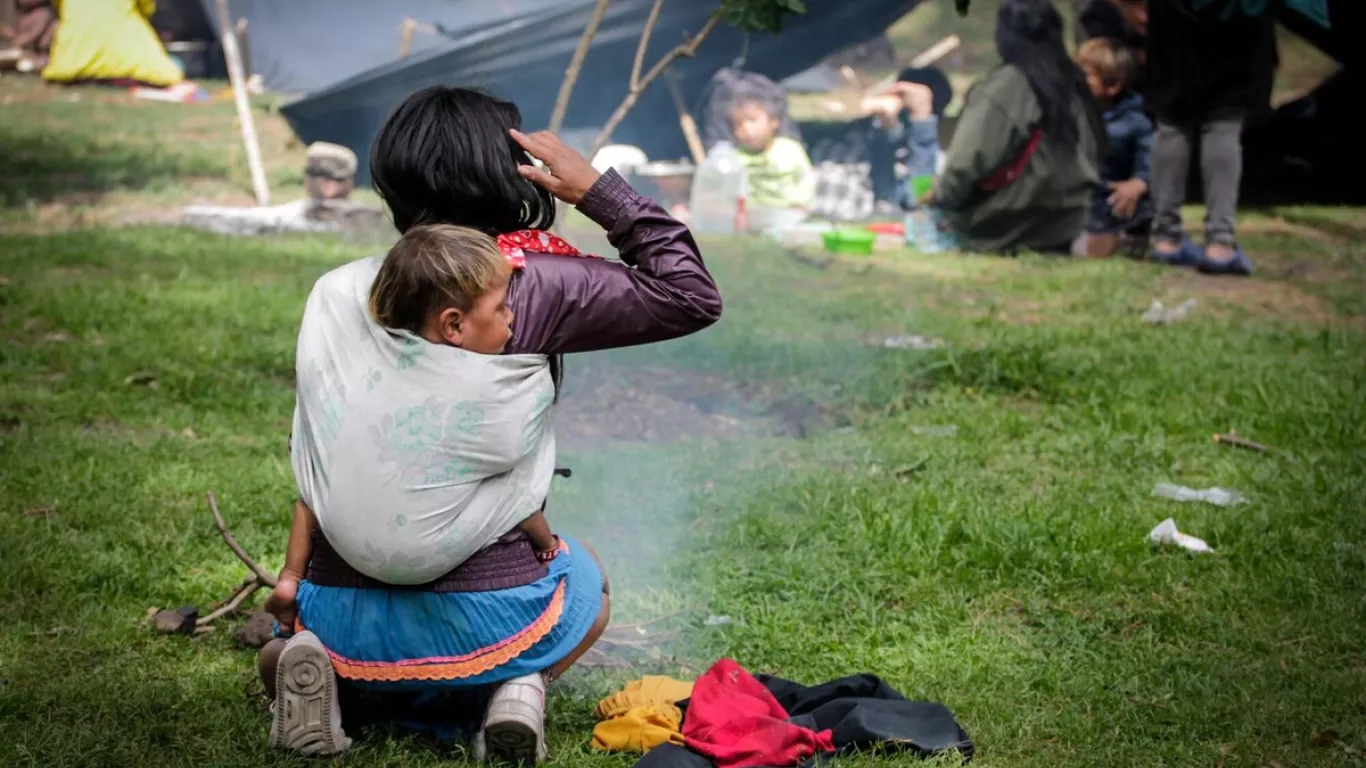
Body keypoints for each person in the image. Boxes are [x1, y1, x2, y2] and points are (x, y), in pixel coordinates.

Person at [258, 86, 723, 763]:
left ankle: (339, 684)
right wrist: (598, 189)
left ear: (390, 179)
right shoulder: (531, 282)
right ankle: (511, 686)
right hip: (488, 605)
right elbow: (689, 295)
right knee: (586, 587)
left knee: (314, 628)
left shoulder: (338, 289)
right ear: (507, 174)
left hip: (337, 602)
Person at [910, 0, 1103, 254]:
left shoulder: (1007, 85)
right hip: (1069, 223)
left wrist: (940, 195)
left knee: (920, 210)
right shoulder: (1077, 83)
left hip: (1006, 224)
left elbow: (967, 162)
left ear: (1004, 36)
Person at [1145, 0, 1275, 276]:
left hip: (1174, 17)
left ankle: (1165, 239)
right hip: (1233, 18)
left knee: (1172, 120)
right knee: (1223, 121)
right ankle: (1220, 244)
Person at [1072, 38, 1154, 258]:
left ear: (1113, 85)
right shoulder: (1076, 115)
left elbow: (1152, 159)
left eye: (1086, 75)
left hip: (1114, 202)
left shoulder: (1136, 123)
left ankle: (1123, 240)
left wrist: (1140, 182)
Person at [729, 96, 816, 217]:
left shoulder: (790, 149)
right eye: (738, 125)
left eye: (753, 121)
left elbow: (805, 178)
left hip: (791, 211)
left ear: (773, 121)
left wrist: (801, 203)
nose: (746, 129)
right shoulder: (734, 157)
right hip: (750, 214)